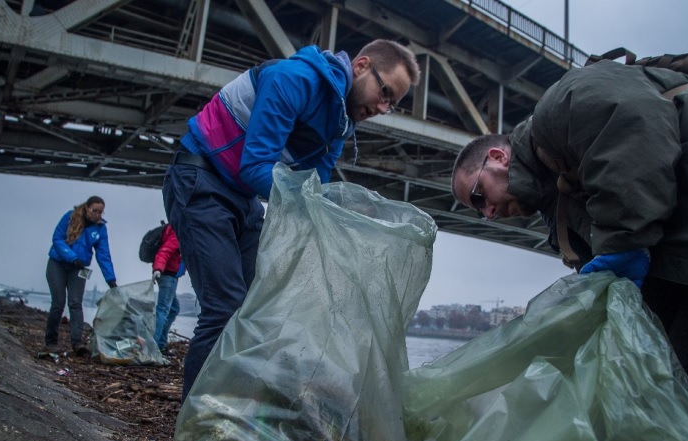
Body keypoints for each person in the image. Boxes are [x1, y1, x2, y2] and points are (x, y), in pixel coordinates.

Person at [162, 39, 421, 400]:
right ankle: (195, 424)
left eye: (391, 104)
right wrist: (317, 210)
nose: (382, 107)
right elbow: (254, 168)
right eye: (385, 93)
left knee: (259, 308)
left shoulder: (340, 124)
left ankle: (234, 409)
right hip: (200, 179)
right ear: (362, 66)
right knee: (224, 307)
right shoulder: (294, 78)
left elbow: (314, 191)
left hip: (241, 198)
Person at [451, 59, 688, 390]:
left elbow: (635, 123)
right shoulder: (558, 219)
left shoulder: (559, 107)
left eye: (480, 196)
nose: (489, 214)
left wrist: (623, 243)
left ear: (497, 157)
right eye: (479, 212)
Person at [45, 195, 117, 355]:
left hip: (78, 268)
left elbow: (103, 254)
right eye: (95, 211)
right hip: (58, 263)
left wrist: (111, 279)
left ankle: (77, 343)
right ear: (86, 208)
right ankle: (51, 341)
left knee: (76, 303)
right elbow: (57, 239)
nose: (97, 215)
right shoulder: (70, 217)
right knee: (58, 302)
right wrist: (72, 257)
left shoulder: (100, 228)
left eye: (101, 212)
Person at [151, 223, 184, 354]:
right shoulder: (177, 231)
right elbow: (164, 251)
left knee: (174, 308)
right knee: (163, 310)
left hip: (167, 274)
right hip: (168, 275)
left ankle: (160, 343)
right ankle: (154, 347)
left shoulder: (174, 228)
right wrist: (158, 268)